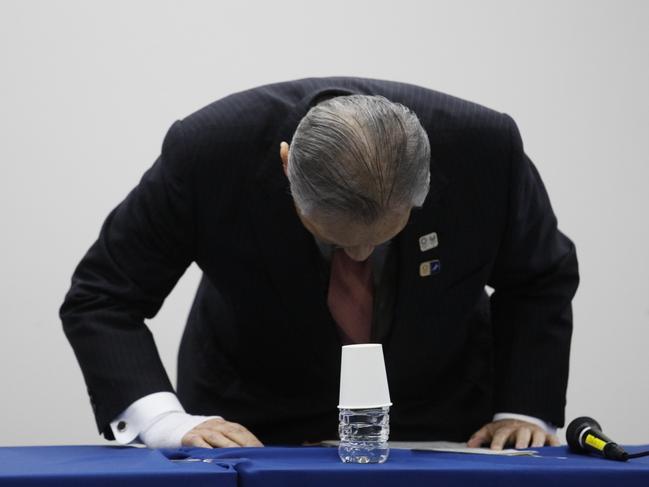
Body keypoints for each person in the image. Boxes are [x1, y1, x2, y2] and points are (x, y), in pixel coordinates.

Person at [60, 77, 579, 450]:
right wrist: (164, 421)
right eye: (334, 237)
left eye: (381, 238)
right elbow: (103, 296)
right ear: (287, 166)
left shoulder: (483, 149)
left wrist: (522, 407)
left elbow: (538, 278)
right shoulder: (209, 152)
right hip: (249, 427)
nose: (358, 256)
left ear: (426, 180)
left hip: (440, 423)